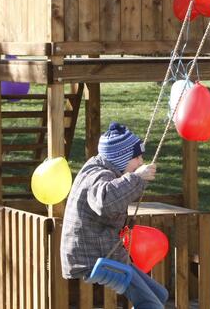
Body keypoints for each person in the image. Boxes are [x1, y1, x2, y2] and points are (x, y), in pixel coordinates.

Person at [60, 122, 167, 309]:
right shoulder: (98, 175)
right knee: (152, 305)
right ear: (121, 158)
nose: (141, 162)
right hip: (93, 258)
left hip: (107, 254)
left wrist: (135, 178)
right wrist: (136, 178)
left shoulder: (102, 169)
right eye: (137, 157)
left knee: (160, 295)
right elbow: (105, 203)